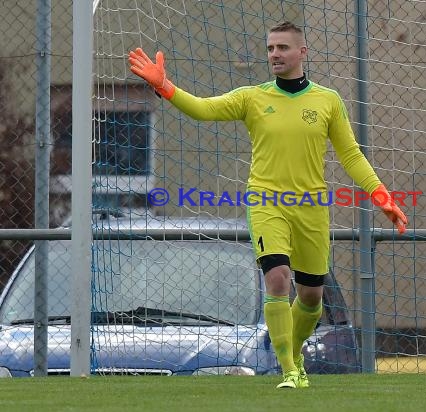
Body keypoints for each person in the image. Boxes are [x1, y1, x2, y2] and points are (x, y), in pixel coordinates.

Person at [129, 21, 408, 389]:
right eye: (271, 48)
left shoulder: (327, 101)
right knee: (278, 280)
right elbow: (202, 109)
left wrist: (381, 196)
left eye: (283, 48)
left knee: (311, 300)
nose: (275, 54)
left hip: (310, 207)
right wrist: (164, 86)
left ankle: (292, 355)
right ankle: (290, 369)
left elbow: (351, 155)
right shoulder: (252, 97)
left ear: (302, 53)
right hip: (266, 202)